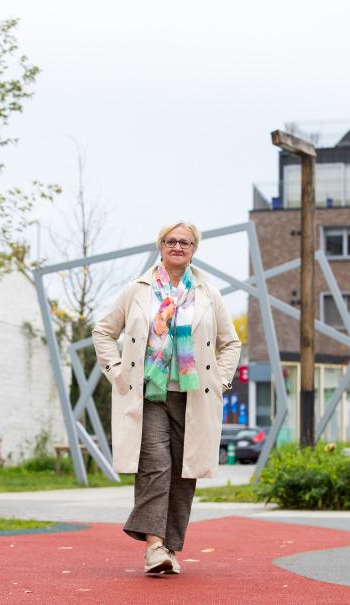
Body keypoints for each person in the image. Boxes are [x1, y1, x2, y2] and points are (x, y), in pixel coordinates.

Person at [93, 221, 241, 575]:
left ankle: (170, 548)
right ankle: (154, 547)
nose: (178, 247)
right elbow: (103, 331)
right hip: (149, 394)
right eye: (171, 241)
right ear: (160, 246)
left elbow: (231, 343)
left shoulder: (208, 293)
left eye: (185, 242)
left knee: (184, 472)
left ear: (194, 249)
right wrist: (117, 372)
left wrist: (220, 380)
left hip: (194, 397)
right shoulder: (136, 290)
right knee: (156, 466)